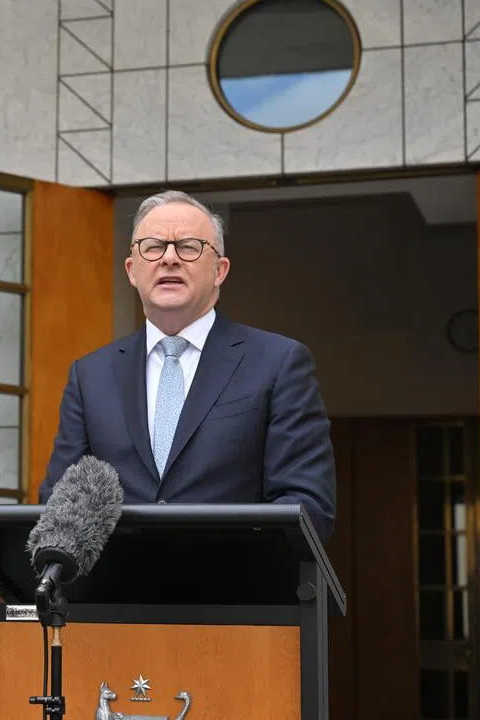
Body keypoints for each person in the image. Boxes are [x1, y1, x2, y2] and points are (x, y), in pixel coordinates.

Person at [38, 190, 336, 542]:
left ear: (219, 270)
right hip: (117, 592)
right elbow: (58, 506)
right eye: (153, 247)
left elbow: (307, 507)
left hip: (234, 590)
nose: (169, 259)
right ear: (132, 270)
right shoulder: (91, 376)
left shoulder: (278, 363)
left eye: (189, 247)